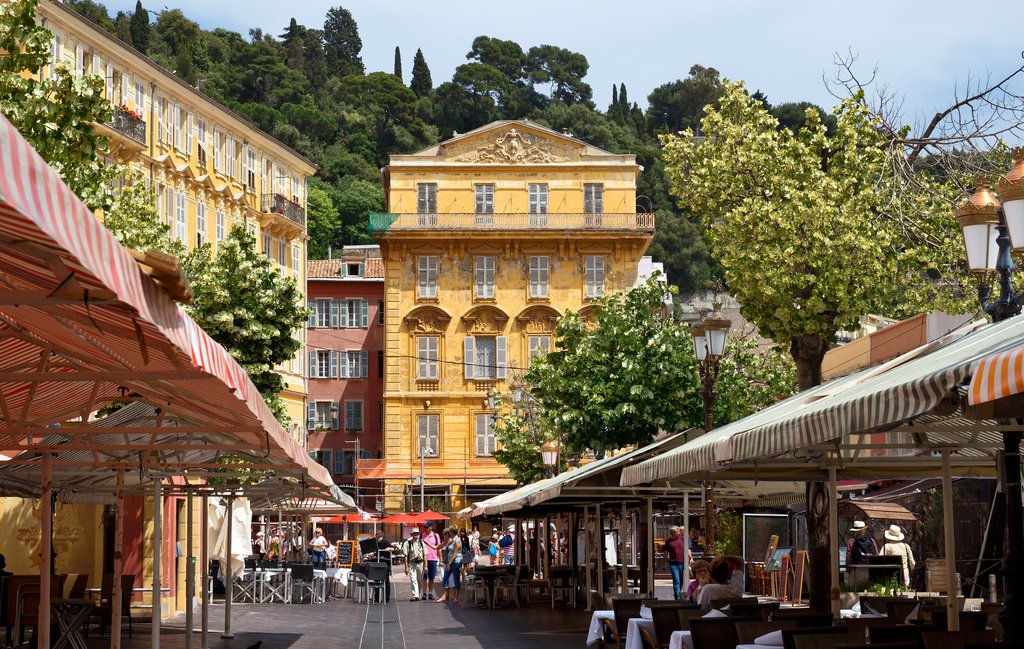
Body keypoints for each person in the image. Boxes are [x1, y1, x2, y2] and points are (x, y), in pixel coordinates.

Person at [662, 526, 691, 600]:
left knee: (681, 580)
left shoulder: (682, 538)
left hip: (682, 563)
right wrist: (663, 564)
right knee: (676, 579)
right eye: (678, 531)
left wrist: (690, 558)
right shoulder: (668, 541)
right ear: (673, 533)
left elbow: (687, 548)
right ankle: (677, 596)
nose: (679, 532)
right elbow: (665, 553)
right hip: (673, 563)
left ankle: (678, 593)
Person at [437, 527, 462, 603]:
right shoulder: (452, 540)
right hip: (450, 562)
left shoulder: (457, 540)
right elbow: (439, 547)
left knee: (456, 579)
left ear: (451, 532)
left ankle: (456, 597)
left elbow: (455, 553)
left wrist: (449, 563)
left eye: (449, 532)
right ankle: (445, 595)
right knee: (445, 578)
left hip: (456, 562)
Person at [401, 528, 426, 601]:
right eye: (415, 533)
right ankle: (415, 595)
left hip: (420, 563)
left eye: (417, 533)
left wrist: (426, 565)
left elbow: (425, 555)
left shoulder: (421, 543)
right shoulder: (407, 543)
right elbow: (405, 556)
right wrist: (406, 567)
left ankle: (417, 594)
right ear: (412, 535)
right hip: (412, 563)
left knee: (419, 580)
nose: (416, 535)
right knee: (413, 579)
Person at [421, 521, 441, 600]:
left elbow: (438, 547)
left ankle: (430, 593)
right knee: (424, 578)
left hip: (433, 559)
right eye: (424, 527)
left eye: (426, 527)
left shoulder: (436, 536)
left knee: (432, 578)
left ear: (431, 527)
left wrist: (440, 559)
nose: (425, 529)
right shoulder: (422, 535)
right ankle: (424, 593)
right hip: (424, 559)